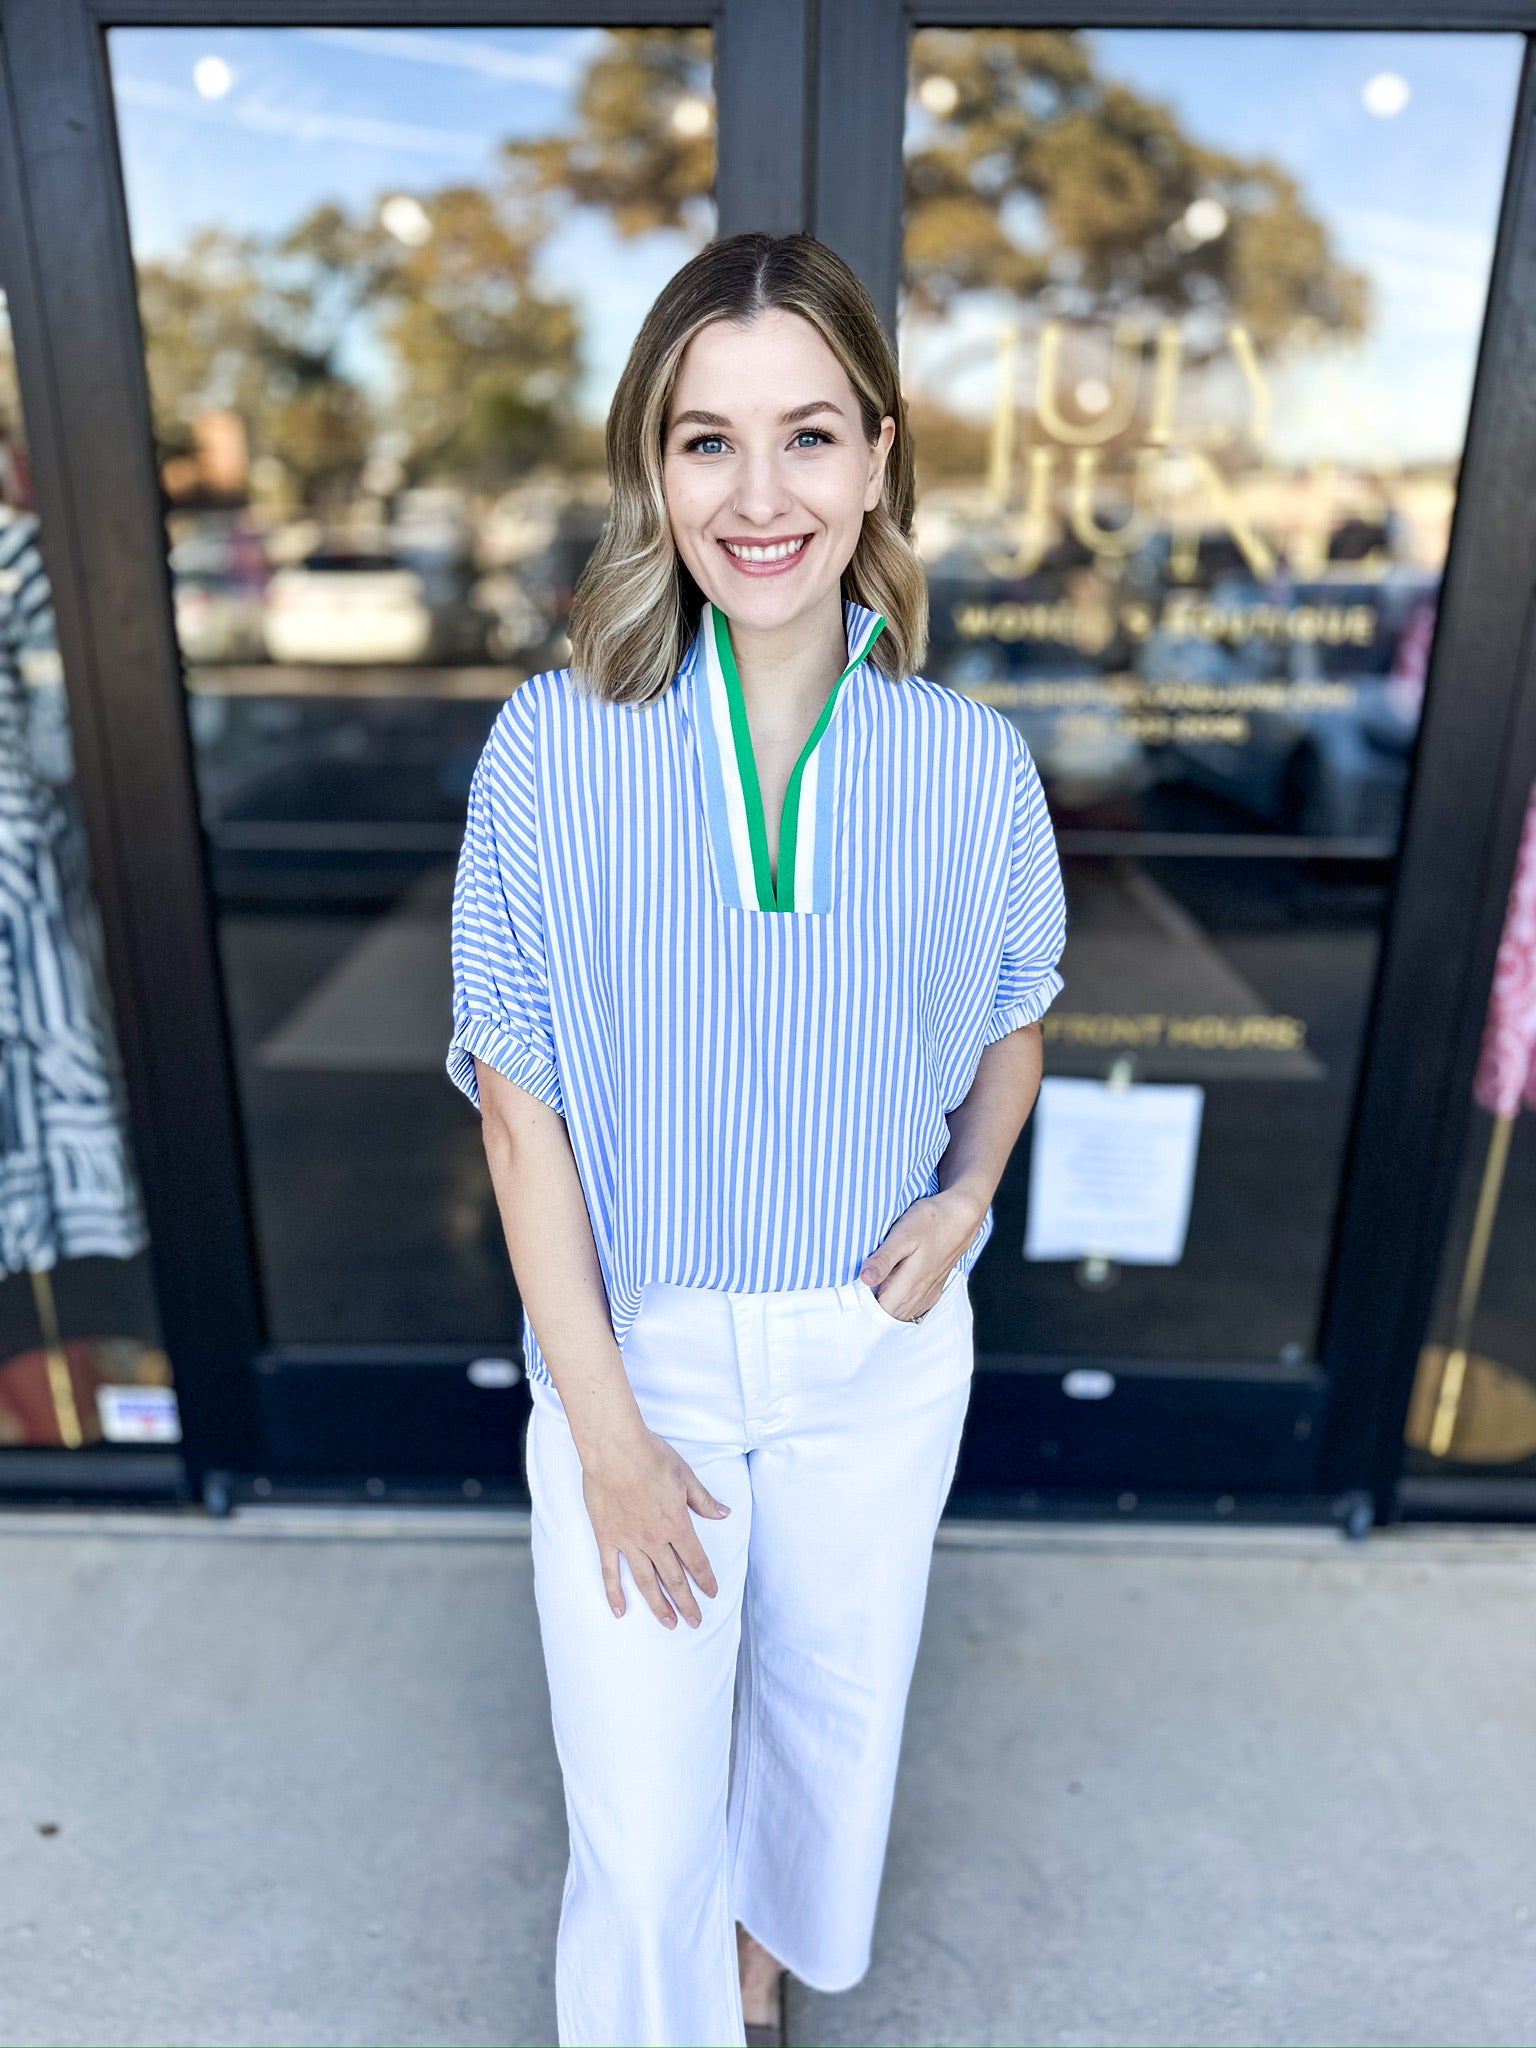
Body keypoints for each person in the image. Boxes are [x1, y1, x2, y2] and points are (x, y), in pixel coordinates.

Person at [446, 231, 1066, 2048]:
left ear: (879, 456)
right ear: (656, 466)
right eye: (708, 440)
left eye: (808, 435)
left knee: (829, 1718)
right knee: (641, 1829)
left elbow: (1012, 1021)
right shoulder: (554, 749)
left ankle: (766, 1961)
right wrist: (611, 1432)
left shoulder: (969, 762)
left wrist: (966, 1194)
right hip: (638, 1356)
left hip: (876, 1352)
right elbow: (517, 1102)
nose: (760, 492)